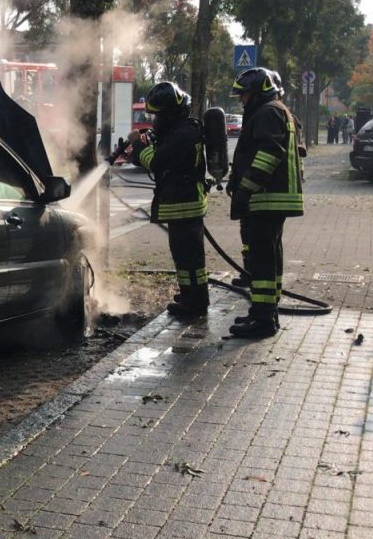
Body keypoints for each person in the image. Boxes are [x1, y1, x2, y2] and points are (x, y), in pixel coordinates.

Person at [227, 67, 304, 339]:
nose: (241, 100)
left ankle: (263, 320)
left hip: (267, 197)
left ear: (258, 92)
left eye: (244, 94)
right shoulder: (276, 109)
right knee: (269, 255)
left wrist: (245, 188)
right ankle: (266, 312)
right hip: (273, 197)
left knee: (262, 258)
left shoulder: (267, 112)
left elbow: (270, 153)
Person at [128, 81, 209, 319]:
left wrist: (136, 143)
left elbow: (157, 161)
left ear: (170, 114)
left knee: (190, 259)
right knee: (185, 258)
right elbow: (157, 159)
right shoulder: (179, 131)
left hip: (185, 205)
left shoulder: (184, 134)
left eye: (158, 116)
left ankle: (195, 304)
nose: (155, 121)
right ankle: (189, 296)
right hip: (181, 204)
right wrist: (139, 151)